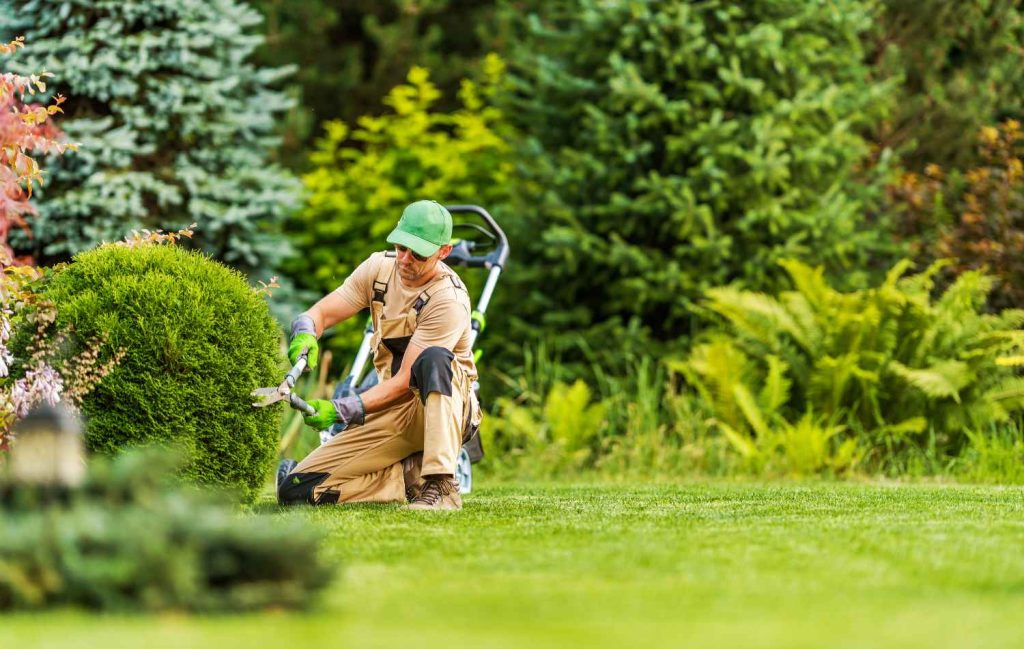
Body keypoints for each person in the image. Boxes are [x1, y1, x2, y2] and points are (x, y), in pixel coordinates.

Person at [277, 200, 480, 511]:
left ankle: (441, 485)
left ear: (443, 252)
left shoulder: (448, 299)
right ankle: (405, 476)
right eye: (401, 247)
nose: (406, 259)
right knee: (295, 490)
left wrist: (340, 409)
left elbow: (403, 383)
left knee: (434, 359)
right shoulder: (378, 269)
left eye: (418, 253)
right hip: (390, 410)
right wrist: (305, 331)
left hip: (440, 408)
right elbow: (322, 313)